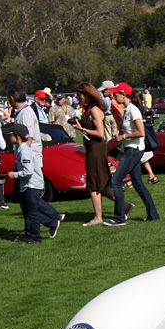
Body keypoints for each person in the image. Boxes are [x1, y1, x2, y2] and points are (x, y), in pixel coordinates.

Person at [105, 83, 159, 225]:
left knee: (115, 181)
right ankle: (153, 215)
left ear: (124, 94)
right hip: (132, 149)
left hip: (133, 150)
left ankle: (119, 218)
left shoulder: (133, 110)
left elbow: (141, 132)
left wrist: (124, 137)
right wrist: (121, 133)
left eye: (116, 93)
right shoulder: (127, 109)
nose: (114, 95)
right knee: (138, 184)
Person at [6, 123, 63, 243]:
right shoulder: (21, 149)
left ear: (18, 137)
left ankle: (37, 237)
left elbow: (28, 171)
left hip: (32, 185)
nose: (9, 138)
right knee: (27, 210)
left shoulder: (24, 151)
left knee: (32, 213)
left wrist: (14, 175)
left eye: (11, 135)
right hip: (26, 184)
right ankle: (30, 232)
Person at [69, 82, 115, 226]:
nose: (78, 98)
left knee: (94, 183)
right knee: (101, 182)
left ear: (88, 94)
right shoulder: (88, 109)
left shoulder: (94, 109)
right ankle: (124, 206)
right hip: (92, 147)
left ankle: (98, 217)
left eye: (80, 95)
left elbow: (100, 133)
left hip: (96, 147)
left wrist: (82, 129)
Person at [9, 85, 42, 166]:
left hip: (30, 161)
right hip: (26, 160)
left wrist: (20, 161)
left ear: (12, 98)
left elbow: (28, 139)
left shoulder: (26, 113)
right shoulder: (22, 112)